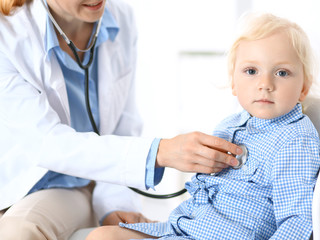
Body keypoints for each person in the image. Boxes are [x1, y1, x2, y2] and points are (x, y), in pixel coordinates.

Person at [0, 0, 243, 239]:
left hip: (76, 186)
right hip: (24, 182)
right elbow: (46, 143)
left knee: (18, 232)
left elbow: (122, 126)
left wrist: (113, 204)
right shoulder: (8, 35)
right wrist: (160, 152)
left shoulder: (119, 19)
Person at [86, 12, 320, 240]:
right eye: (251, 71)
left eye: (282, 72)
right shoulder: (231, 125)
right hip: (188, 225)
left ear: (303, 87)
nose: (265, 84)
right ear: (233, 83)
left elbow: (298, 220)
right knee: (102, 235)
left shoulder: (294, 139)